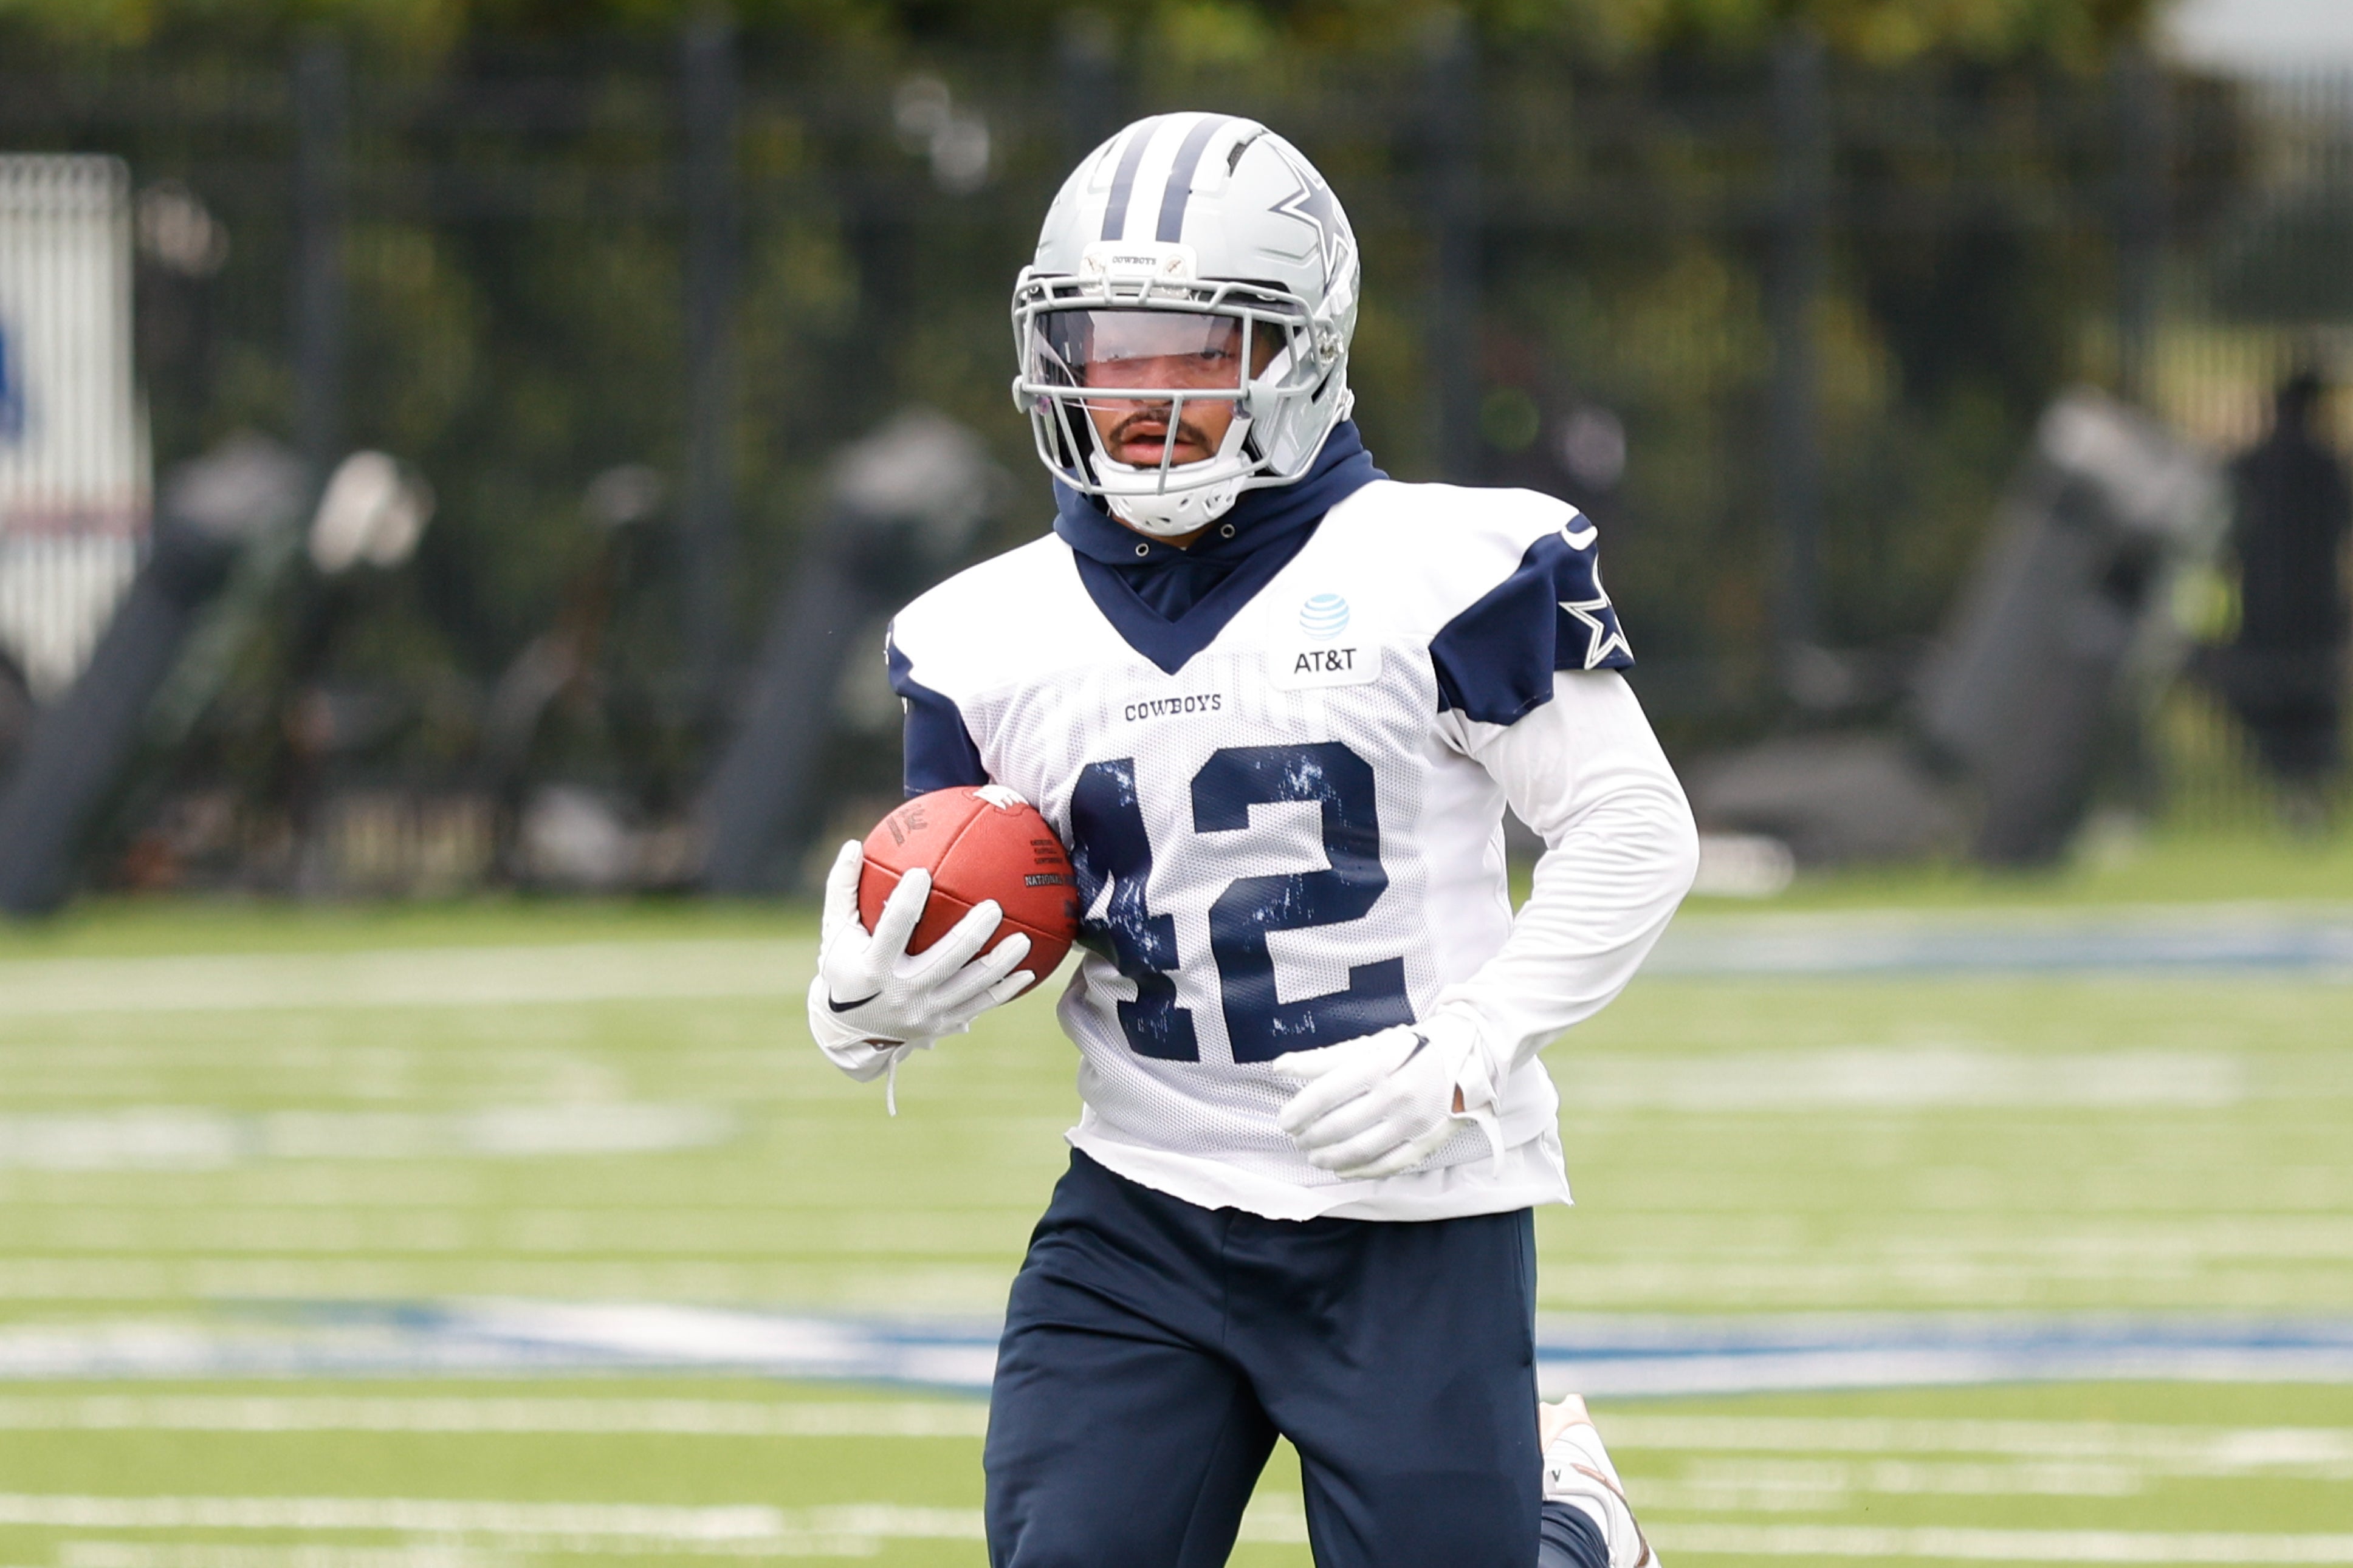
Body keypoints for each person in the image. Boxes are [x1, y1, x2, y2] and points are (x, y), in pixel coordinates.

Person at [807, 112, 1697, 1568]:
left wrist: (1472, 1043)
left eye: (1192, 349)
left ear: (1299, 351)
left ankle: (1568, 1526)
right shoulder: (980, 635)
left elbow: (1633, 826)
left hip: (1411, 1209)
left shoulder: (1452, 564)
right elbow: (979, 894)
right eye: (1106, 348)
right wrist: (863, 1005)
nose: (1141, 396)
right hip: (1140, 1210)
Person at [2224, 368, 2351, 829]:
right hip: (2313, 605)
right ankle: (2305, 792)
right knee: (2310, 703)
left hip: (2267, 603)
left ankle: (2293, 791)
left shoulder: (2251, 465)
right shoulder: (2324, 466)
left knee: (2281, 701)